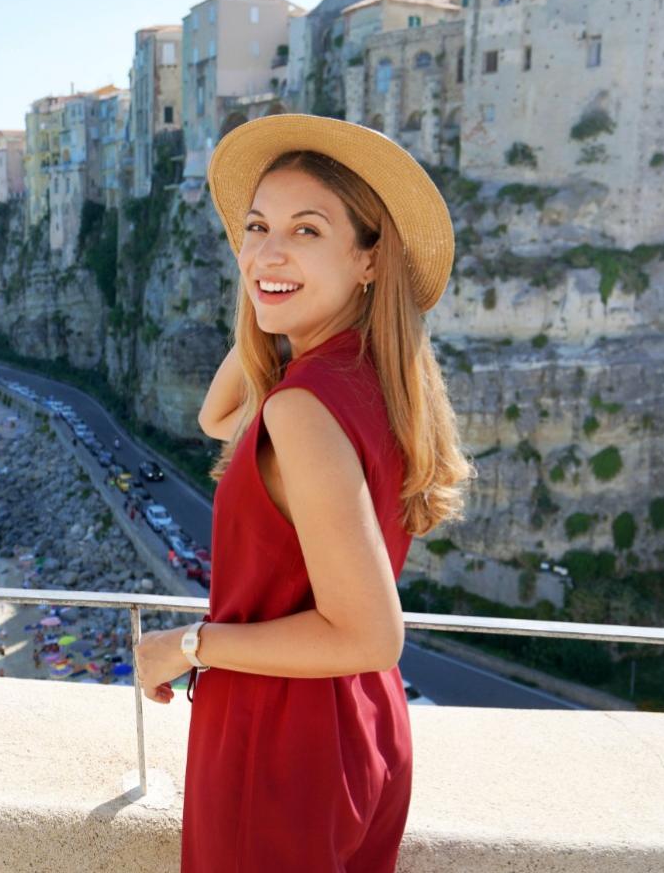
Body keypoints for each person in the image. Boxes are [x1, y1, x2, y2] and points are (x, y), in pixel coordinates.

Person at [132, 114, 474, 872]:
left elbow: (369, 633)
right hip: (360, 725)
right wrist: (277, 296)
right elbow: (215, 415)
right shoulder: (368, 377)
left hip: (279, 744)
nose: (266, 249)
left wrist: (183, 648)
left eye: (309, 230)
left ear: (369, 260)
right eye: (256, 227)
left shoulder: (300, 409)